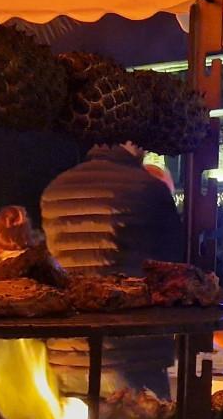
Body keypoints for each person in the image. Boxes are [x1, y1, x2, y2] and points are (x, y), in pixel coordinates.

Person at [41, 142, 183, 397]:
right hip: (133, 358)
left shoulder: (55, 188)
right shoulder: (148, 189)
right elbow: (173, 269)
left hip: (63, 355)